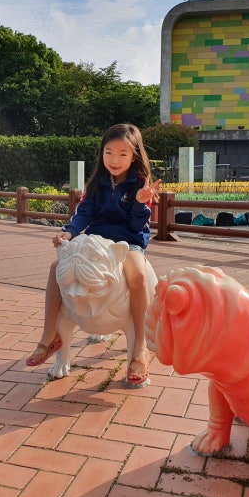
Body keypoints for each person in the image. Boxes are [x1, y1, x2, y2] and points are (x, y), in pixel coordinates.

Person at [26, 123, 161, 386]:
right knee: (56, 268)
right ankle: (49, 334)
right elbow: (84, 213)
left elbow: (136, 226)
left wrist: (140, 203)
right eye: (109, 152)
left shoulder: (139, 185)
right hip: (95, 240)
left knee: (137, 274)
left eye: (123, 154)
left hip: (127, 243)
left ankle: (140, 348)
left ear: (134, 155)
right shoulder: (98, 182)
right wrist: (68, 233)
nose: (114, 159)